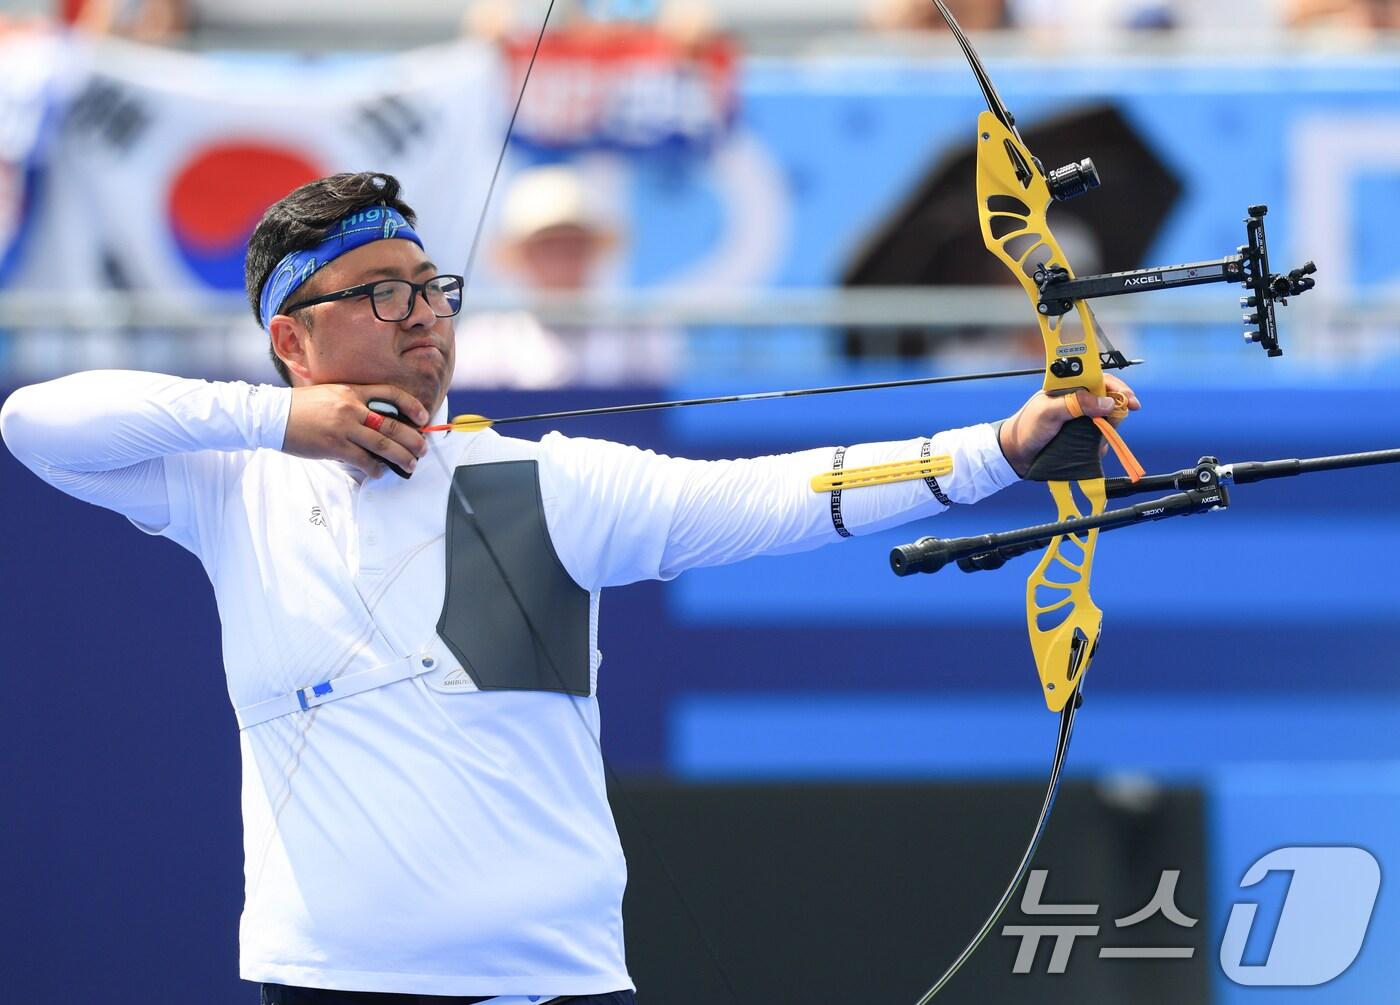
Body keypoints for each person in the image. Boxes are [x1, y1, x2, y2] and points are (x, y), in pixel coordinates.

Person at [0, 170, 1139, 1004]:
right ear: (290, 341)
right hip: (326, 983)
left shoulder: (540, 483)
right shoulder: (229, 487)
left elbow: (779, 496)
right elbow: (35, 423)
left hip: (550, 985)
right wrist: (277, 421)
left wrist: (999, 444)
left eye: (431, 289)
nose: (428, 317)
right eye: (382, 295)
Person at [454, 164, 681, 388]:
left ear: (591, 251)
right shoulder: (484, 339)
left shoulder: (638, 334)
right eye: (549, 247)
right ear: (525, 257)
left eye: (573, 245)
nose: (562, 260)